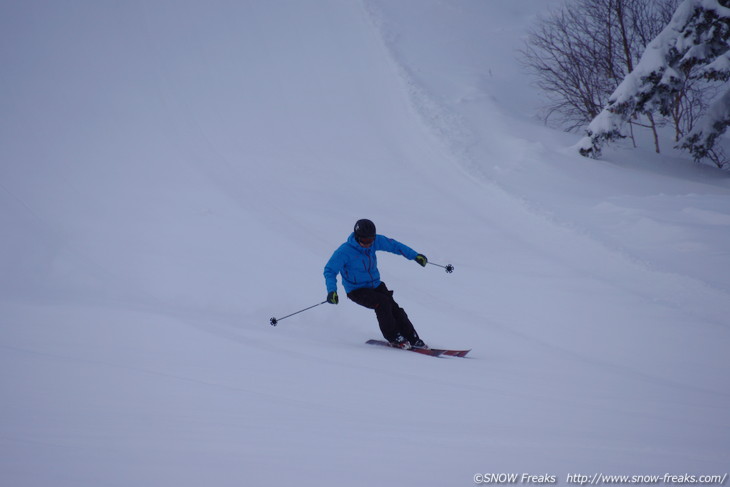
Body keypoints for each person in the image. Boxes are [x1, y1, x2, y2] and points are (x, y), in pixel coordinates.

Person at [323, 219, 429, 349]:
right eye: (365, 241)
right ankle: (393, 336)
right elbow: (330, 270)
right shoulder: (344, 251)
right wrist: (331, 291)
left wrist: (415, 256)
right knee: (382, 303)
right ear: (357, 237)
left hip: (376, 285)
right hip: (356, 290)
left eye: (371, 240)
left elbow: (394, 245)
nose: (368, 244)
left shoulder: (374, 241)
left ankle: (413, 338)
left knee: (395, 308)